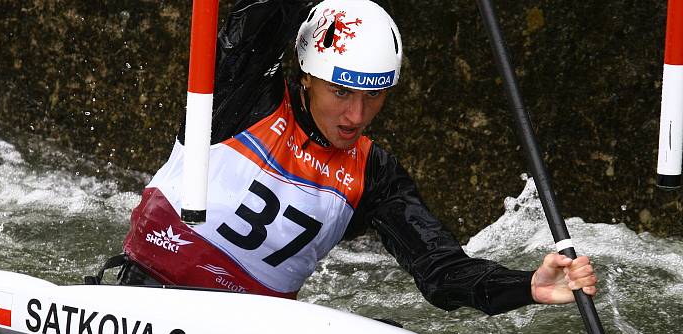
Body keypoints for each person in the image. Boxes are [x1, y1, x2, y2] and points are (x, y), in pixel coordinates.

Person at [110, 0, 597, 315]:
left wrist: (527, 285)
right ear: (305, 75)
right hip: (147, 297)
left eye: (375, 96)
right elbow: (264, 14)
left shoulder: (374, 175)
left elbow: (442, 273)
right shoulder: (240, 94)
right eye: (341, 92)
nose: (356, 115)